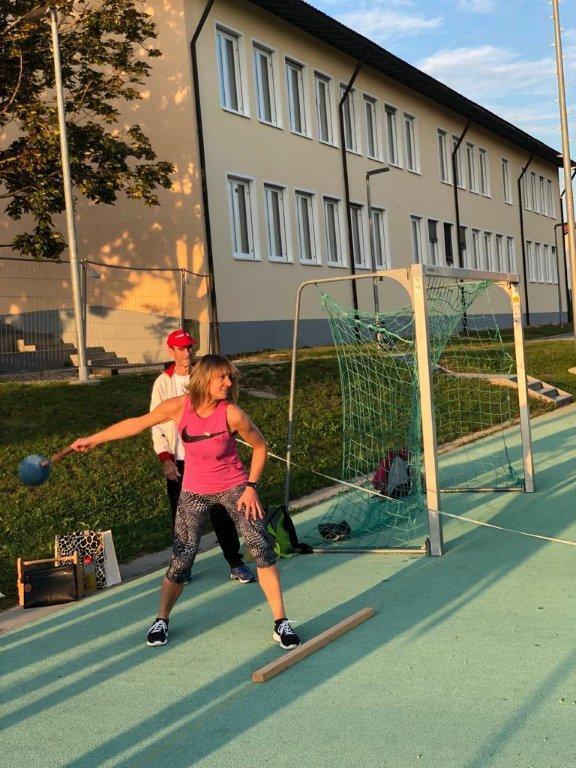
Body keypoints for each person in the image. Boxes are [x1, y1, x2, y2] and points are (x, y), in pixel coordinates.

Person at [71, 354, 300, 651]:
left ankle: (281, 622)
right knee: (181, 560)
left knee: (261, 549)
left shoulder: (232, 414)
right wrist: (93, 439)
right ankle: (161, 620)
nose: (228, 382)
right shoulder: (178, 407)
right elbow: (136, 425)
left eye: (230, 377)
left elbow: (260, 446)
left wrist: (251, 488)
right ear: (205, 379)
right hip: (194, 490)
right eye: (222, 377)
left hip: (233, 486)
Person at [150, 330, 255, 584]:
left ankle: (235, 562)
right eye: (181, 349)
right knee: (183, 520)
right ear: (171, 351)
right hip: (180, 462)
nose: (187, 353)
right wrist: (165, 458)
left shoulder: (204, 376)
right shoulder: (163, 383)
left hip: (210, 462)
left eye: (189, 348)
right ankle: (182, 567)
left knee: (222, 514)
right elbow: (155, 423)